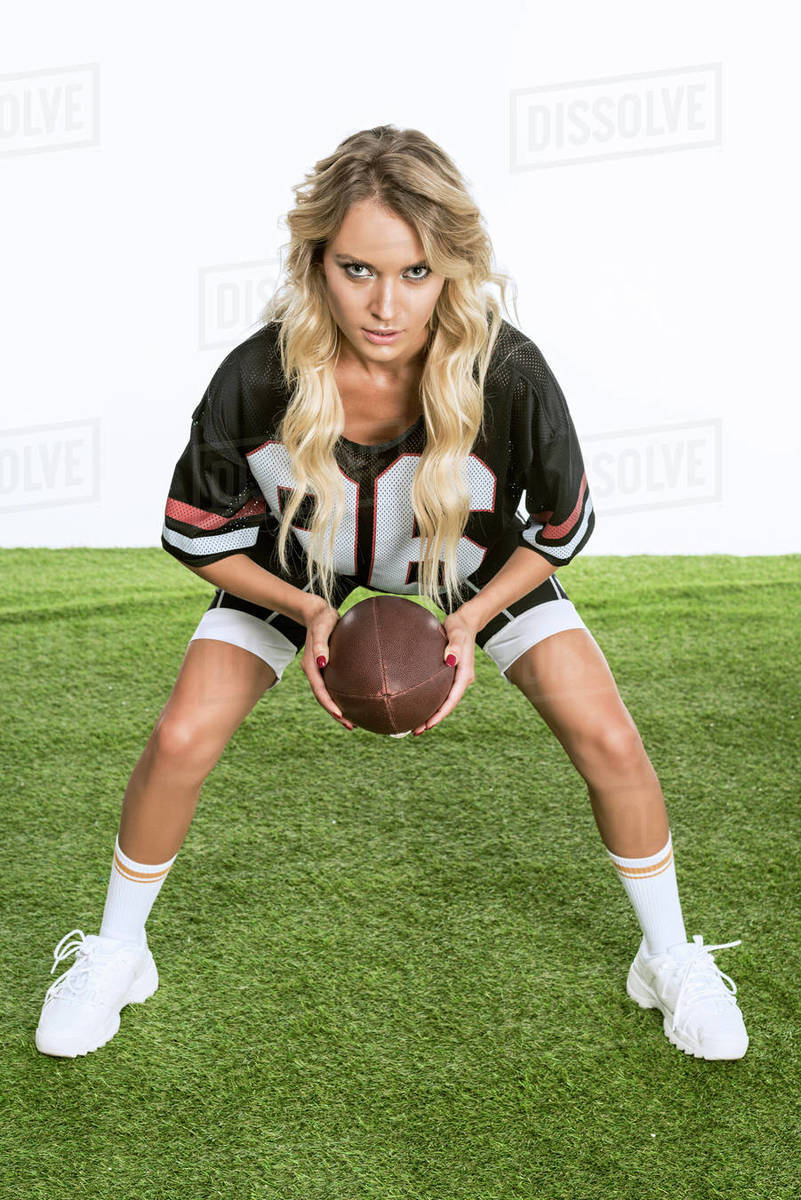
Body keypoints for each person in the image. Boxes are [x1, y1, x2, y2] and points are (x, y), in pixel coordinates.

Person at [35, 124, 748, 1061]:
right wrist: (308, 610)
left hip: (468, 567)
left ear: (451, 265)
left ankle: (667, 957)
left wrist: (472, 619)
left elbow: (557, 529)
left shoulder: (506, 370)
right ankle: (119, 952)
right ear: (315, 263)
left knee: (609, 736)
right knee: (180, 736)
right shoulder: (261, 373)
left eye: (415, 272)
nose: (385, 304)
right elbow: (200, 535)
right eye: (357, 270)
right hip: (300, 569)